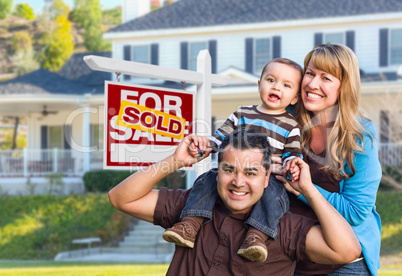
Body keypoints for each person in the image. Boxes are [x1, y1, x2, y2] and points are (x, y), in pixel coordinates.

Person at [108, 128, 362, 275]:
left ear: (266, 178)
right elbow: (120, 198)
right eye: (229, 170)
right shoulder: (190, 208)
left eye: (251, 173)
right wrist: (175, 161)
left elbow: (347, 250)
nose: (238, 181)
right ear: (217, 172)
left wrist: (307, 189)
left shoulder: (283, 228)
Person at [163, 57, 303, 262]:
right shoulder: (242, 114)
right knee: (207, 180)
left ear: (294, 98)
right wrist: (204, 146)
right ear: (259, 84)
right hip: (233, 171)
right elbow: (220, 138)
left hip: (267, 176)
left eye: (286, 85)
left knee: (274, 195)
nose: (276, 87)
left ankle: (256, 237)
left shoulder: (291, 125)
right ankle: (190, 224)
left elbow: (293, 154)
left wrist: (292, 166)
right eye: (271, 80)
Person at [282, 43, 382, 276]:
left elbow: (356, 211)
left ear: (343, 86)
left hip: (343, 262)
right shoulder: (283, 119)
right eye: (310, 73)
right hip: (287, 255)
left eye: (326, 78)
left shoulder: (359, 135)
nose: (313, 84)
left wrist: (304, 189)